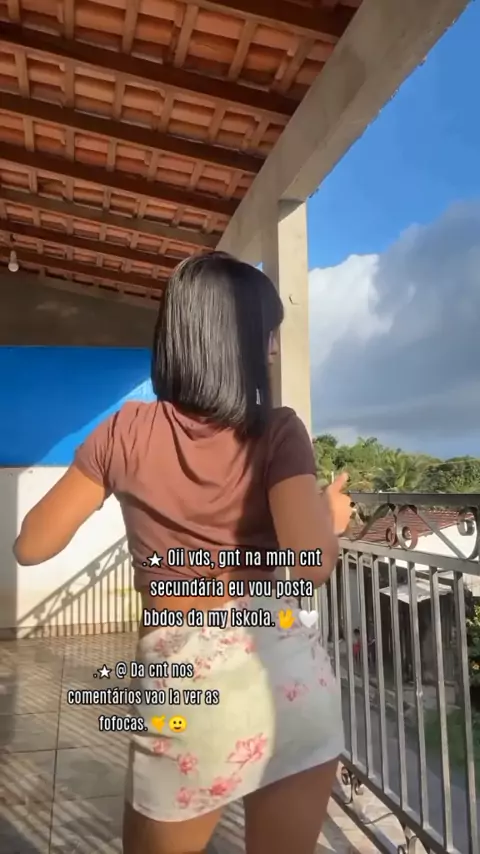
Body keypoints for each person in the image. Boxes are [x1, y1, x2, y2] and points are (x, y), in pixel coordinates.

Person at [14, 251, 352, 854]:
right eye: (267, 333)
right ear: (238, 342)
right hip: (291, 691)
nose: (274, 349)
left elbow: (33, 546)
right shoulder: (279, 431)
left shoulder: (123, 431)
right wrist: (327, 519)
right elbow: (314, 566)